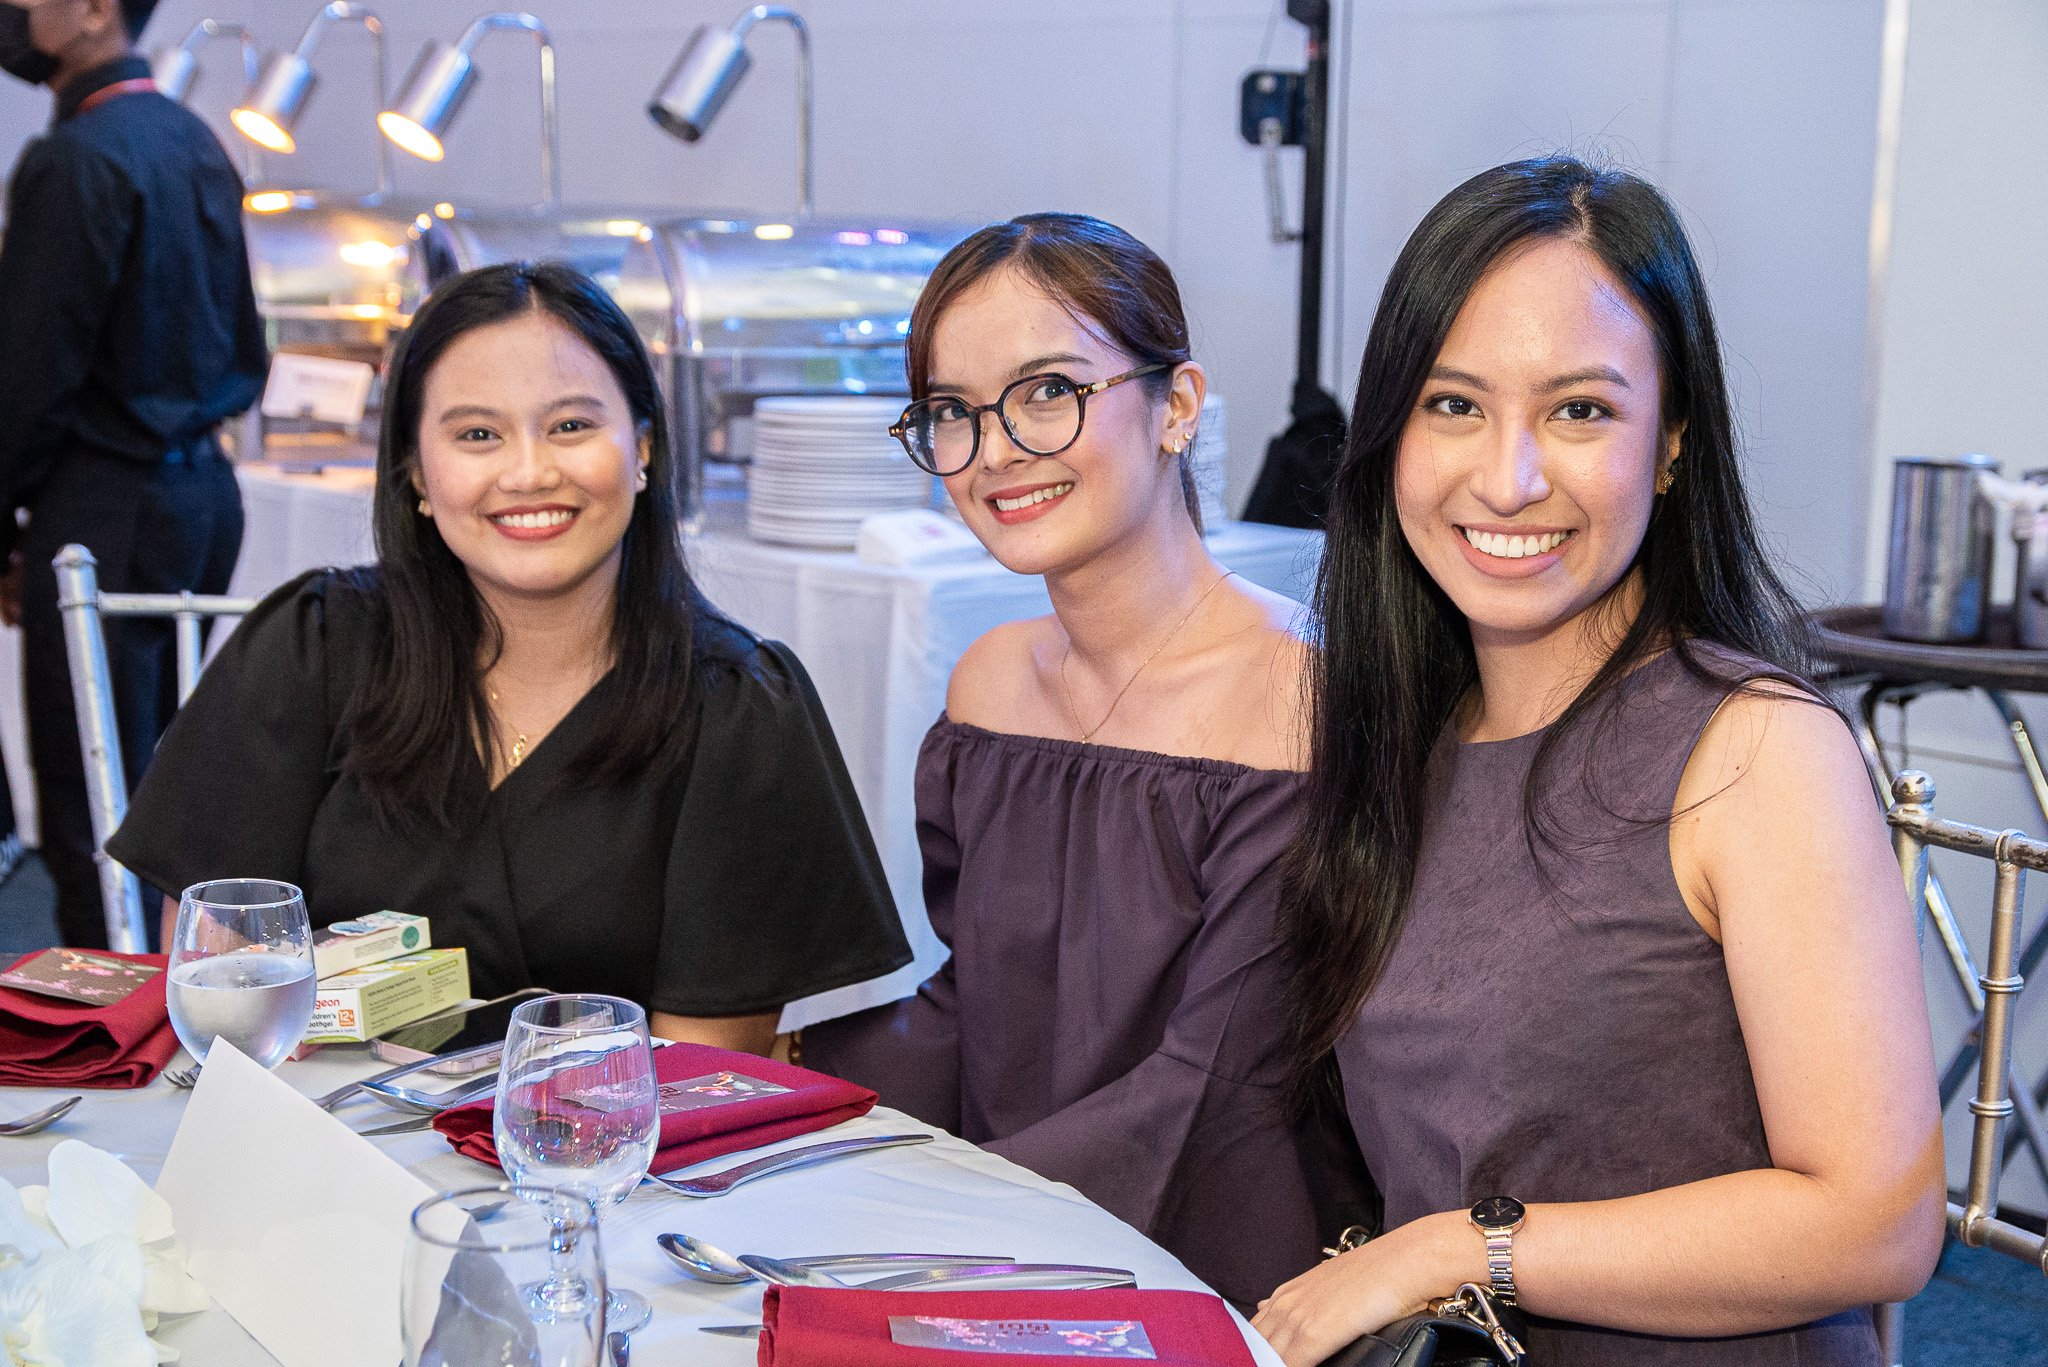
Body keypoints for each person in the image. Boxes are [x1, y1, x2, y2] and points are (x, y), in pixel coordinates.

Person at [1251, 157, 1943, 1365]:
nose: (1507, 477)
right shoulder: (1408, 738)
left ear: (1670, 446)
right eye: (1451, 404)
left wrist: (1450, 1247)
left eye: (1579, 410)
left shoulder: (1752, 748)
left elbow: (1875, 1221)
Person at [108, 263, 911, 1049]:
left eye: (570, 425)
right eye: (478, 434)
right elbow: (216, 996)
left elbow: (699, 1075)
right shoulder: (315, 644)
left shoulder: (739, 711)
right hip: (316, 1151)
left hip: (594, 1164)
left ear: (642, 449)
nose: (529, 473)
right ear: (418, 474)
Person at [802, 214, 1369, 1309]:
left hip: (1213, 1263)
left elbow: (1214, 1084)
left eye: (1047, 391)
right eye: (952, 413)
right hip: (998, 1231)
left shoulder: (1295, 690)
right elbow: (975, 1007)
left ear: (1178, 405)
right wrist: (775, 1088)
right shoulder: (992, 679)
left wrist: (939, 1208)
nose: (996, 448)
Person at [0, 0, 264, 949]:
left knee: (88, 797)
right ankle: (166, 1005)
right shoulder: (194, 138)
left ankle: (96, 1039)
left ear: (95, 11)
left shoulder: (76, 157)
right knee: (173, 786)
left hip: (101, 506)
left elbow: (27, 376)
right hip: (202, 501)